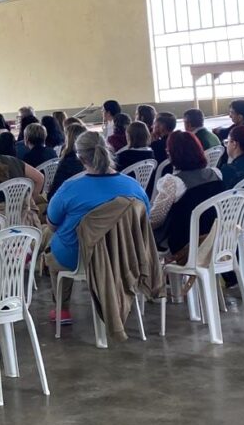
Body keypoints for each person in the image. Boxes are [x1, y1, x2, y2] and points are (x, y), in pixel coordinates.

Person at [45, 131, 148, 321]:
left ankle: (62, 309)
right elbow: (143, 222)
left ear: (80, 157)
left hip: (78, 257)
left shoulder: (69, 187)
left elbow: (52, 224)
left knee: (52, 251)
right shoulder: (133, 186)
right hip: (123, 255)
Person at [149, 131, 223, 255]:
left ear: (171, 153)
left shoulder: (173, 182)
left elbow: (156, 219)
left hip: (185, 243)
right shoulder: (216, 174)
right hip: (216, 237)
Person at [48, 122, 89, 199]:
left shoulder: (66, 163)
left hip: (68, 202)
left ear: (68, 140)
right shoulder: (93, 162)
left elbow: (53, 195)